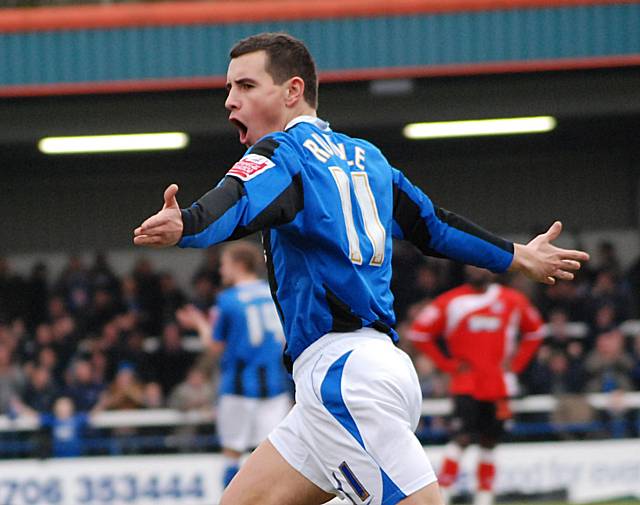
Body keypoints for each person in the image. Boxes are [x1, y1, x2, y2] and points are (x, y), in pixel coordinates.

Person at [133, 32, 589, 505]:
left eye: (246, 87)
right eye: (229, 89)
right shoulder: (368, 158)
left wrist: (186, 224)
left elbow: (237, 202)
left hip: (342, 377)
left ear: (292, 91)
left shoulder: (282, 155)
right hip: (364, 373)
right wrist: (516, 255)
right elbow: (432, 227)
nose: (230, 102)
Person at [407, 266, 545, 505]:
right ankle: (445, 494)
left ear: (493, 269)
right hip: (466, 384)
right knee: (462, 438)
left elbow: (536, 330)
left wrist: (517, 364)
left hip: (499, 385)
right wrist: (448, 365)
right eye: (472, 265)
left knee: (490, 441)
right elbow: (418, 333)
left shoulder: (512, 300)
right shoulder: (451, 301)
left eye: (482, 265)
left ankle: (484, 496)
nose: (477, 270)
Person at [176, 240, 291, 489]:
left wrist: (199, 324)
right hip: (274, 386)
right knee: (273, 456)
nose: (221, 270)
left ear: (239, 264)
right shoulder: (273, 291)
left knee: (232, 453)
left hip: (238, 387)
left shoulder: (227, 300)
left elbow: (215, 346)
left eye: (224, 264)